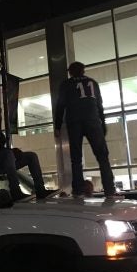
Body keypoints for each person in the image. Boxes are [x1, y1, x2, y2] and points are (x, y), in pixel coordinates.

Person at [54, 61, 121, 200]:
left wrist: (57, 126)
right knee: (103, 157)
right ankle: (109, 190)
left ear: (70, 72)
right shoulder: (93, 83)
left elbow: (60, 106)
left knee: (76, 159)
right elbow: (99, 105)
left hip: (74, 122)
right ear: (83, 71)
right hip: (92, 121)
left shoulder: (66, 84)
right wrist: (102, 125)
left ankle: (78, 191)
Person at [0, 98, 49, 200]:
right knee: (8, 155)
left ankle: (40, 189)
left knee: (31, 156)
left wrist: (11, 152)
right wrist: (10, 152)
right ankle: (15, 191)